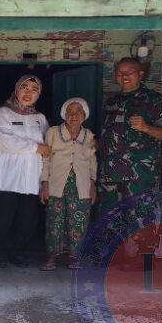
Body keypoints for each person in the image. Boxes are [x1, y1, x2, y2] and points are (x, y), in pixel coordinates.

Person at [0, 75, 50, 268]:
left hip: (32, 178)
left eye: (34, 89)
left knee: (27, 219)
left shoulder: (40, 118)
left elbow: (48, 148)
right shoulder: (4, 113)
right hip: (7, 177)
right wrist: (35, 147)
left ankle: (18, 252)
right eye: (24, 87)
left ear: (38, 95)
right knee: (3, 218)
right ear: (16, 90)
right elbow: (3, 141)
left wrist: (45, 179)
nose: (28, 92)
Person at [98, 57, 162, 213]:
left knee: (140, 222)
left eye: (129, 72)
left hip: (139, 177)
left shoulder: (154, 100)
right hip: (110, 178)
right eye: (120, 73)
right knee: (110, 221)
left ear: (140, 74)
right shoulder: (111, 102)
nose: (124, 76)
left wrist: (146, 127)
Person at [39, 98, 97, 270]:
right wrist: (44, 183)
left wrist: (93, 184)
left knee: (79, 221)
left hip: (81, 184)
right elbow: (45, 159)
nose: (74, 115)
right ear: (64, 114)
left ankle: (74, 257)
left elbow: (92, 161)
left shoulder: (89, 135)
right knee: (54, 220)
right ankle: (51, 257)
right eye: (70, 111)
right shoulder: (53, 132)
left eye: (78, 112)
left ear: (84, 115)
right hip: (56, 183)